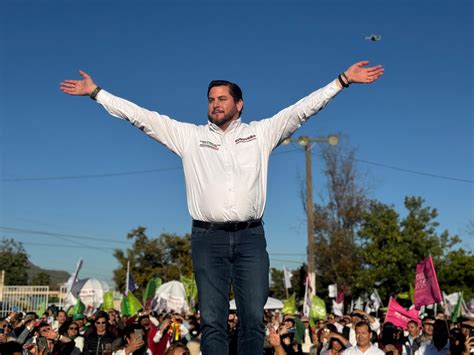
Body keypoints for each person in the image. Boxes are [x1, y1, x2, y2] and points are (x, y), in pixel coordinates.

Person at [60, 61, 384, 355]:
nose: (215, 104)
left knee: (252, 320)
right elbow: (141, 117)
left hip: (250, 237)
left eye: (222, 99)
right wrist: (97, 93)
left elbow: (302, 110)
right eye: (211, 99)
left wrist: (342, 81)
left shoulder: (261, 133)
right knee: (213, 321)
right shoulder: (190, 137)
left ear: (239, 104)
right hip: (207, 238)